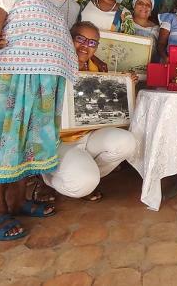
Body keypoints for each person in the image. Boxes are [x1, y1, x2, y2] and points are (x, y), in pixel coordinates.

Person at [0, 0, 78, 240]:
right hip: (15, 78)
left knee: (26, 147)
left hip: (42, 80)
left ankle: (17, 202)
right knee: (6, 144)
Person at [43, 21, 137, 201]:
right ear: (69, 38)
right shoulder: (52, 64)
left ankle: (88, 176)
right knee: (82, 183)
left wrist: (126, 84)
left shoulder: (99, 68)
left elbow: (107, 101)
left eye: (92, 43)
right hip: (59, 140)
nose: (86, 46)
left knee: (127, 142)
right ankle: (47, 179)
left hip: (89, 135)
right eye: (81, 39)